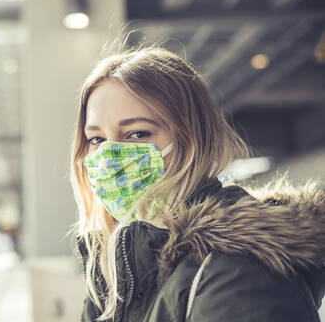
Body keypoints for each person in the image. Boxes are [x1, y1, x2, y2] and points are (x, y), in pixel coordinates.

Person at [70, 47, 325, 321]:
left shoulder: (239, 270)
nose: (110, 156)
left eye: (137, 133)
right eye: (96, 139)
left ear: (191, 140)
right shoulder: (116, 266)